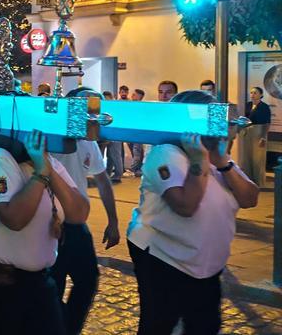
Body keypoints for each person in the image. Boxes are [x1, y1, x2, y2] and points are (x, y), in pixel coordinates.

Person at [127, 90, 259, 334]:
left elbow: (250, 198)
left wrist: (223, 163)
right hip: (164, 258)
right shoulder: (165, 153)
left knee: (204, 325)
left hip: (204, 266)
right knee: (160, 324)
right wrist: (199, 160)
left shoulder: (217, 157)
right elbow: (185, 205)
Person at [0, 130, 89, 335]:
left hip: (40, 283)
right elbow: (15, 219)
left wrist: (48, 170)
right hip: (3, 286)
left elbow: (78, 213)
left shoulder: (47, 162)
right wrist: (41, 175)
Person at [50, 87, 120, 335]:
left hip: (77, 223)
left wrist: (113, 221)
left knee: (88, 280)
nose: (93, 115)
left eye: (95, 109)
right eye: (88, 108)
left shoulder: (87, 141)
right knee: (53, 285)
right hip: (50, 226)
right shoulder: (54, 138)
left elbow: (102, 180)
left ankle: (69, 327)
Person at [241, 86, 271, 187]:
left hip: (259, 133)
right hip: (247, 132)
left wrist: (263, 137)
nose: (252, 95)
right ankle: (249, 180)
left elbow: (267, 123)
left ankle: (259, 182)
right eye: (251, 93)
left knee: (258, 159)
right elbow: (243, 118)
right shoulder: (248, 105)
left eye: (255, 93)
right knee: (247, 157)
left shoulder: (265, 107)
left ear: (261, 95)